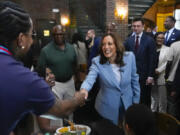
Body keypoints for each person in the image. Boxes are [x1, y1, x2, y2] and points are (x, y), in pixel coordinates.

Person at [0, 1, 85, 135]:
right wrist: (78, 99)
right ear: (21, 39)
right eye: (32, 35)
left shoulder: (70, 48)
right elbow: (61, 109)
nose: (33, 41)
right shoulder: (23, 78)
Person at [80, 33, 140, 126]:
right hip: (107, 107)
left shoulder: (130, 57)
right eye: (103, 44)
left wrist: (136, 101)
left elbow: (134, 80)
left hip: (128, 104)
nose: (106, 47)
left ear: (116, 45)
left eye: (110, 44)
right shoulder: (97, 61)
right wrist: (84, 90)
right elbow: (90, 79)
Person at [37, 25, 77, 122]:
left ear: (65, 35)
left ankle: (71, 128)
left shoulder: (71, 48)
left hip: (69, 82)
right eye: (56, 34)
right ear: (53, 35)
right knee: (57, 111)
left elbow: (75, 64)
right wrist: (46, 73)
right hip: (55, 85)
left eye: (61, 34)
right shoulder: (46, 50)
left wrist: (74, 77)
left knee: (71, 109)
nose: (59, 36)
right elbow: (40, 69)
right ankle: (58, 130)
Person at [124, 18, 156, 108]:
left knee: (144, 99)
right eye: (134, 26)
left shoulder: (149, 40)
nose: (136, 28)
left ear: (143, 27)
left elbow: (152, 59)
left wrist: (150, 76)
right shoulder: (129, 40)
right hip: (131, 75)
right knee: (133, 98)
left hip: (145, 76)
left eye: (138, 26)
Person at [36, 68, 61, 133]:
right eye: (47, 75)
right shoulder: (42, 98)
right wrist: (66, 128)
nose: (51, 76)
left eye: (51, 73)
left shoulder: (50, 93)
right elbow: (45, 127)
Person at [151, 32, 170, 113]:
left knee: (162, 101)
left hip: (161, 77)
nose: (160, 39)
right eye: (158, 37)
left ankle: (162, 119)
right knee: (153, 99)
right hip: (152, 77)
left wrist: (159, 70)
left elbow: (168, 62)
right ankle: (153, 117)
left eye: (162, 38)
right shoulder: (151, 48)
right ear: (155, 38)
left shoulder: (167, 49)